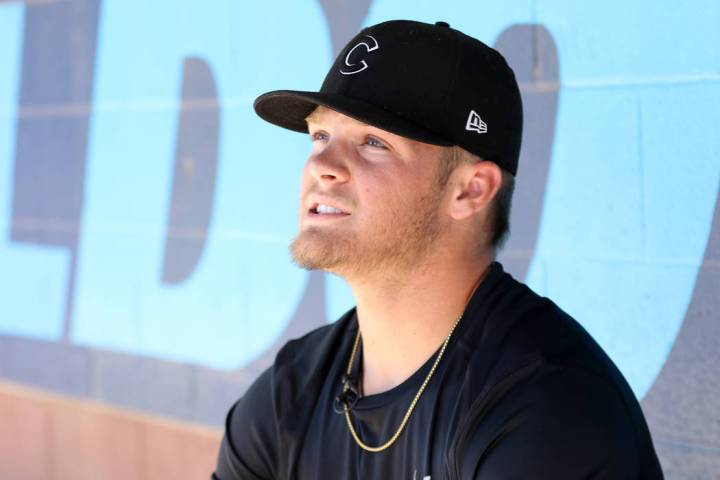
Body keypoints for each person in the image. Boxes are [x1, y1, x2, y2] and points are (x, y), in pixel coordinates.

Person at [212, 19, 664, 479]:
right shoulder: (287, 397)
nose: (321, 166)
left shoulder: (546, 406)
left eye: (373, 142)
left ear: (470, 190)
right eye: (321, 136)